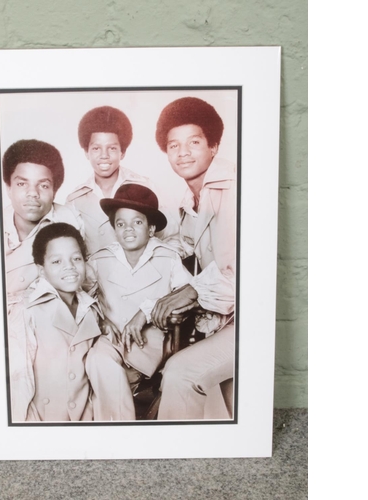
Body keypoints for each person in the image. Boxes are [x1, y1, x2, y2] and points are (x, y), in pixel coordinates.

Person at [151, 96, 237, 420]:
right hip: (223, 323)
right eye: (174, 145)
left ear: (213, 146)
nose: (182, 152)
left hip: (252, 322)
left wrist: (191, 292)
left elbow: (249, 273)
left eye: (194, 142)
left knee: (180, 373)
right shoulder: (188, 202)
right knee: (235, 410)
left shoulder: (236, 188)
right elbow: (186, 246)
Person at [85, 183, 192, 421]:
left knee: (110, 375)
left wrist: (147, 310)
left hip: (149, 345)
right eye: (121, 224)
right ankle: (121, 429)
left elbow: (189, 294)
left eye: (138, 222)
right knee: (97, 358)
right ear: (114, 228)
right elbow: (80, 296)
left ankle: (118, 423)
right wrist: (99, 321)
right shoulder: (100, 258)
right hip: (110, 340)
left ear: (151, 228)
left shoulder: (167, 257)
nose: (128, 229)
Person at [8, 223, 103, 422]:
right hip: (41, 422)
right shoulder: (26, 311)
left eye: (76, 258)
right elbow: (19, 383)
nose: (69, 267)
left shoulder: (92, 309)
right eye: (57, 261)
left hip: (86, 421)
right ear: (41, 270)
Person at [66, 105, 180, 255]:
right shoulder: (75, 200)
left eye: (112, 148)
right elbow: (70, 251)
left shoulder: (145, 187)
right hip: (96, 276)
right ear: (86, 152)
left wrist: (159, 264)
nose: (104, 155)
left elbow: (172, 237)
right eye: (96, 148)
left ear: (123, 152)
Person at [2, 139, 83, 301]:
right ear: (9, 188)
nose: (33, 193)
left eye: (44, 186)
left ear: (55, 191)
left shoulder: (69, 221)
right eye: (22, 184)